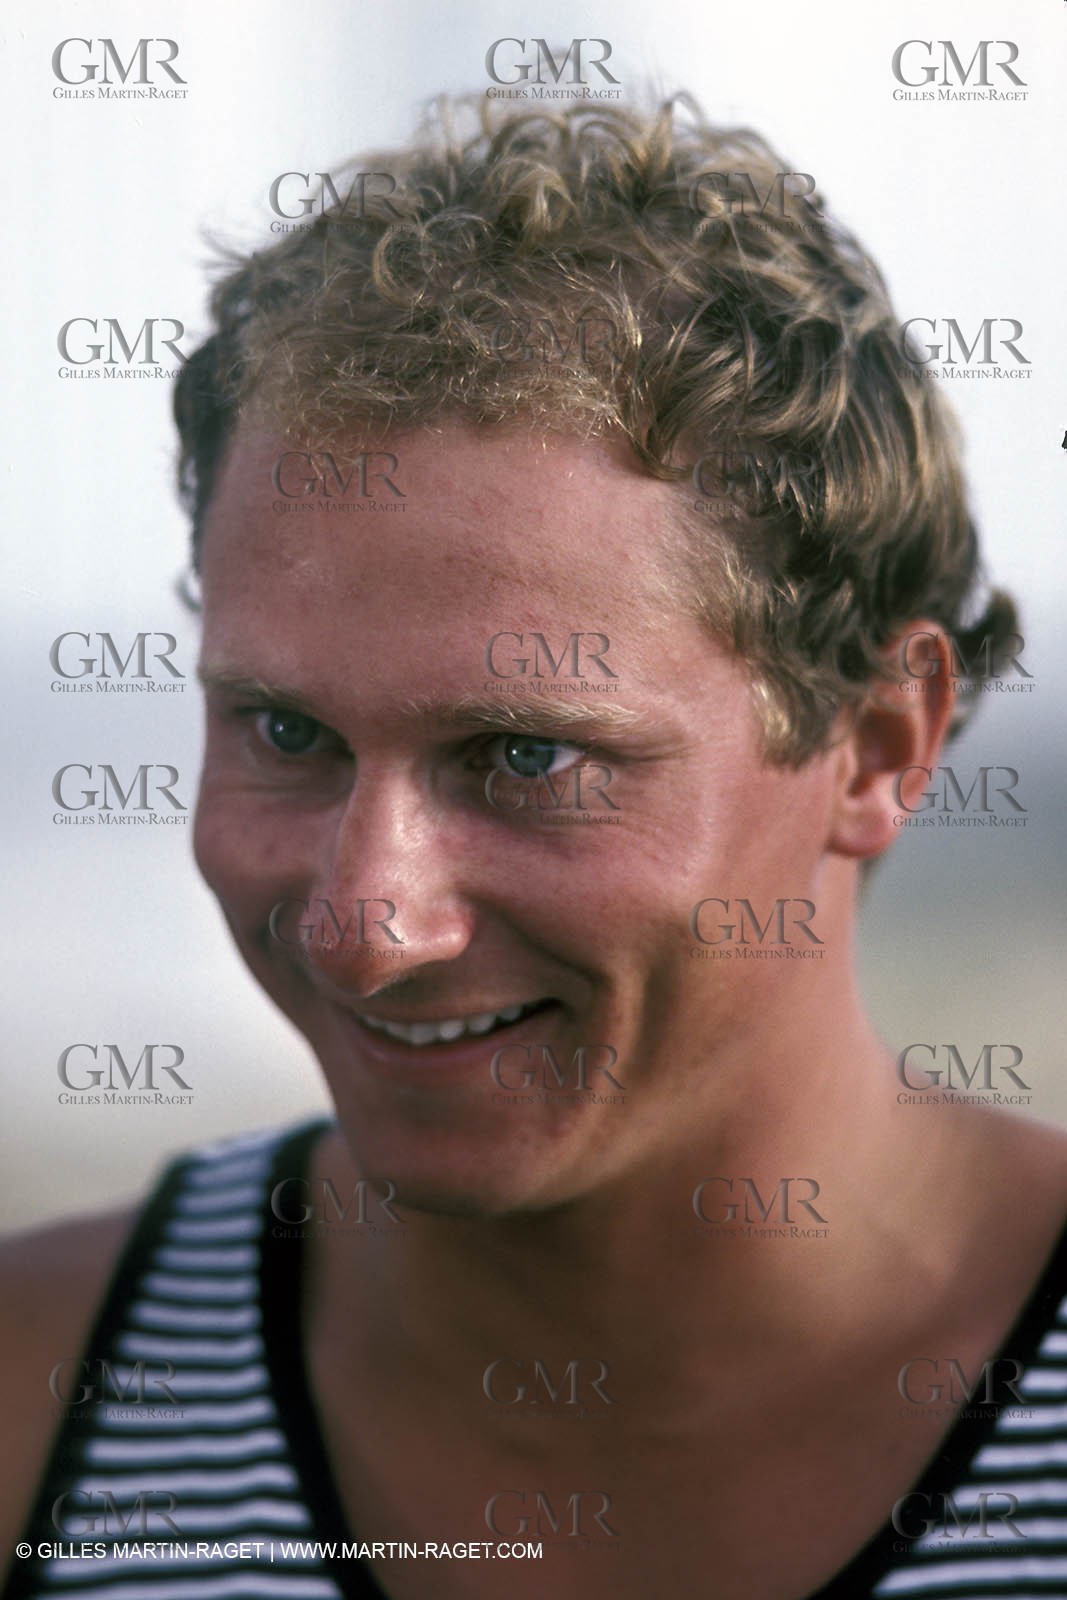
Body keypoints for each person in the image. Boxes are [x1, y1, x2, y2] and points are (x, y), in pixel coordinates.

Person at [3, 94, 1065, 1600]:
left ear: (881, 743)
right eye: (287, 735)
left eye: (528, 756)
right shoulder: (40, 1404)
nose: (367, 923)